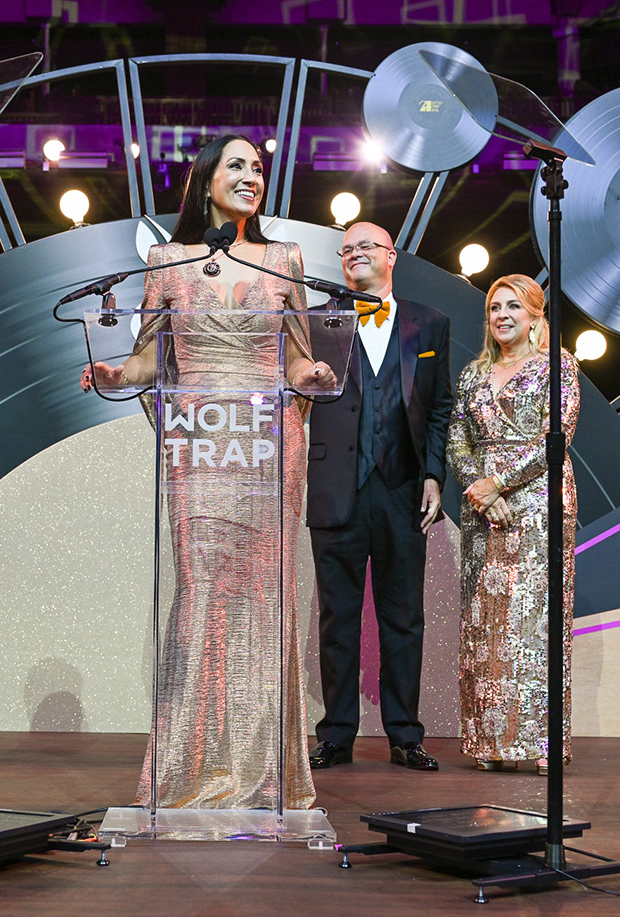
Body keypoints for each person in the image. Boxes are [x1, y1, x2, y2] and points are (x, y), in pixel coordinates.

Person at [81, 134, 332, 811]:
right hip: (199, 441)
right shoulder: (167, 261)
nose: (251, 176)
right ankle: (190, 766)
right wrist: (112, 372)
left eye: (258, 167)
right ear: (206, 180)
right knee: (200, 590)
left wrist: (315, 373)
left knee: (265, 598)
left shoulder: (285, 261)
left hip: (268, 438)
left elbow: (297, 360)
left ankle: (262, 771)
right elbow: (145, 359)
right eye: (237, 165)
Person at [304, 222, 451, 773]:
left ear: (392, 256)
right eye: (346, 250)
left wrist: (434, 475)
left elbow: (439, 409)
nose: (354, 254)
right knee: (336, 619)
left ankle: (405, 735)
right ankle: (337, 734)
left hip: (402, 490)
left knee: (403, 618)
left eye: (366, 246)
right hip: (335, 489)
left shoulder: (430, 323)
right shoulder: (317, 322)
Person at [446, 273, 578, 775]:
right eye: (494, 308)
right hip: (482, 505)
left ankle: (544, 743)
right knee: (485, 621)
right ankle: (490, 742)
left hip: (539, 498)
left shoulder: (557, 366)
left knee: (535, 622)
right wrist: (480, 489)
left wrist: (498, 482)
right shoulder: (472, 374)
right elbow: (457, 439)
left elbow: (555, 436)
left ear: (534, 317)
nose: (502, 315)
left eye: (513, 308)